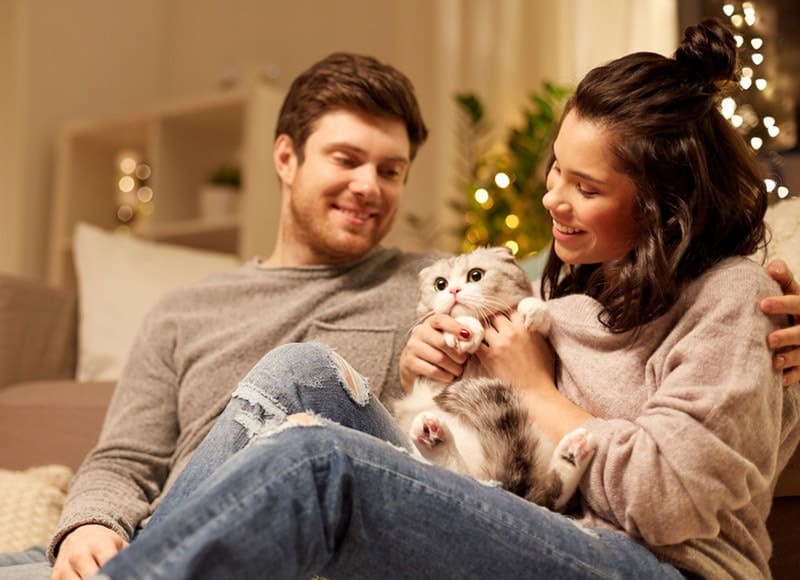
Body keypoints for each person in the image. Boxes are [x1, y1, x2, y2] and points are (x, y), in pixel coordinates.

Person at [62, 20, 800, 580]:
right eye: (347, 160)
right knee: (298, 374)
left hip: (641, 555)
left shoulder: (716, 295)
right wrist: (92, 525)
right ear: (285, 158)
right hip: (539, 511)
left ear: (662, 205)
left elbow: (710, 450)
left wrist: (530, 386)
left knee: (317, 457)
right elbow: (123, 457)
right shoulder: (577, 277)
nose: (553, 201)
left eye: (391, 168)